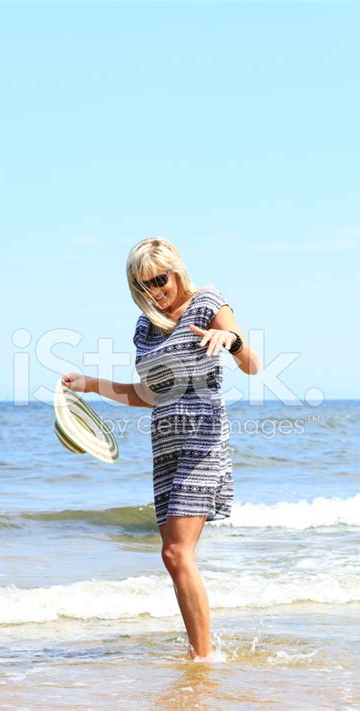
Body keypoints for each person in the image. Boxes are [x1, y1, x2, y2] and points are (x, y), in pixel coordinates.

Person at [63, 237, 260, 661]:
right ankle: (200, 650)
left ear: (176, 270)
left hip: (204, 438)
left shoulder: (208, 302)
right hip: (165, 442)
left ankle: (202, 658)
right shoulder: (144, 326)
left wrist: (230, 340)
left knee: (175, 551)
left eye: (159, 278)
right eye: (143, 283)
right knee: (173, 558)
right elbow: (150, 395)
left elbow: (253, 365)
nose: (155, 289)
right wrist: (92, 385)